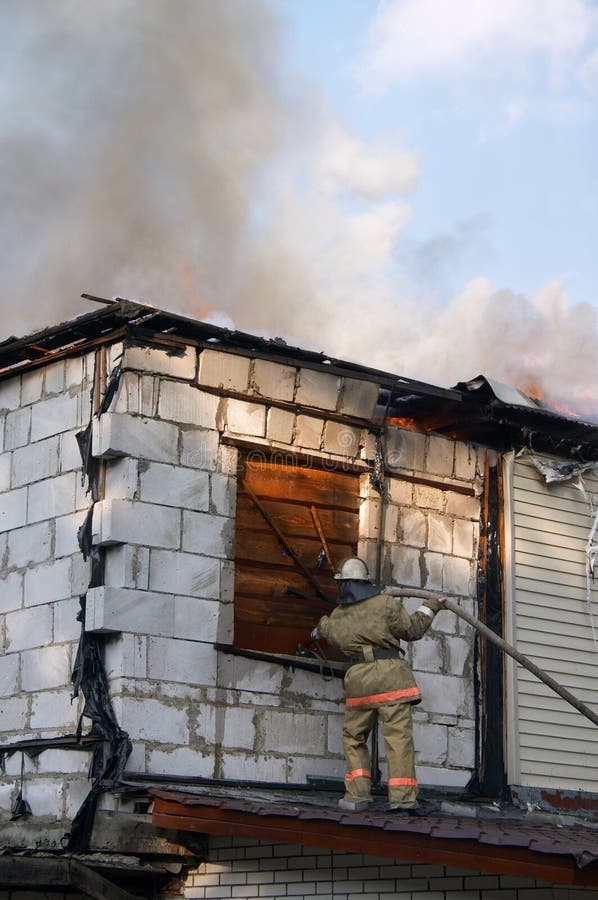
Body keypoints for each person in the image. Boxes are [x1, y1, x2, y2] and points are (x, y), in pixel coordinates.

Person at [312, 557, 446, 815]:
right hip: (390, 680)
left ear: (342, 584)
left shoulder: (337, 616)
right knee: (398, 738)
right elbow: (413, 630)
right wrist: (431, 606)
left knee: (353, 738)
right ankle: (403, 800)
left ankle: (358, 793)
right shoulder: (385, 603)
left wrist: (320, 627)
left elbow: (327, 631)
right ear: (366, 581)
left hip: (359, 683)